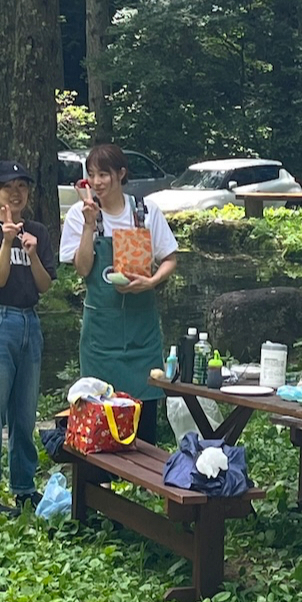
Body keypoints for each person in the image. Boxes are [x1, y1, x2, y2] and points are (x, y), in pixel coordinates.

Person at [59, 143, 178, 443]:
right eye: (91, 175)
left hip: (142, 335)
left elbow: (169, 258)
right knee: (100, 424)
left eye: (104, 174)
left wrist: (152, 281)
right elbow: (83, 269)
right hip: (101, 337)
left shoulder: (145, 212)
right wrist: (89, 225)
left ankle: (145, 471)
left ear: (121, 174)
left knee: (144, 427)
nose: (97, 182)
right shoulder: (79, 215)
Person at [0, 160, 57, 518]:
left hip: (29, 322)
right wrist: (7, 242)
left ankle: (24, 488)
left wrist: (32, 254)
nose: (16, 193)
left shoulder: (38, 232)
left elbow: (44, 285)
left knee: (24, 415)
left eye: (22, 186)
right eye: (7, 187)